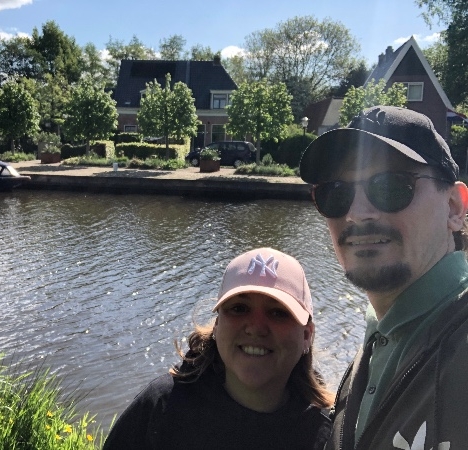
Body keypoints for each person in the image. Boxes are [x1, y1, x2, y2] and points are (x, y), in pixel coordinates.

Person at [299, 105, 468, 449]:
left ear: (454, 207)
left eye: (391, 186)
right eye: (336, 192)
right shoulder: (376, 343)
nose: (357, 213)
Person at [103, 247, 333, 450]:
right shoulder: (162, 407)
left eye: (278, 313)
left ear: (306, 335)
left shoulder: (329, 434)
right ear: (217, 325)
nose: (255, 327)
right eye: (239, 308)